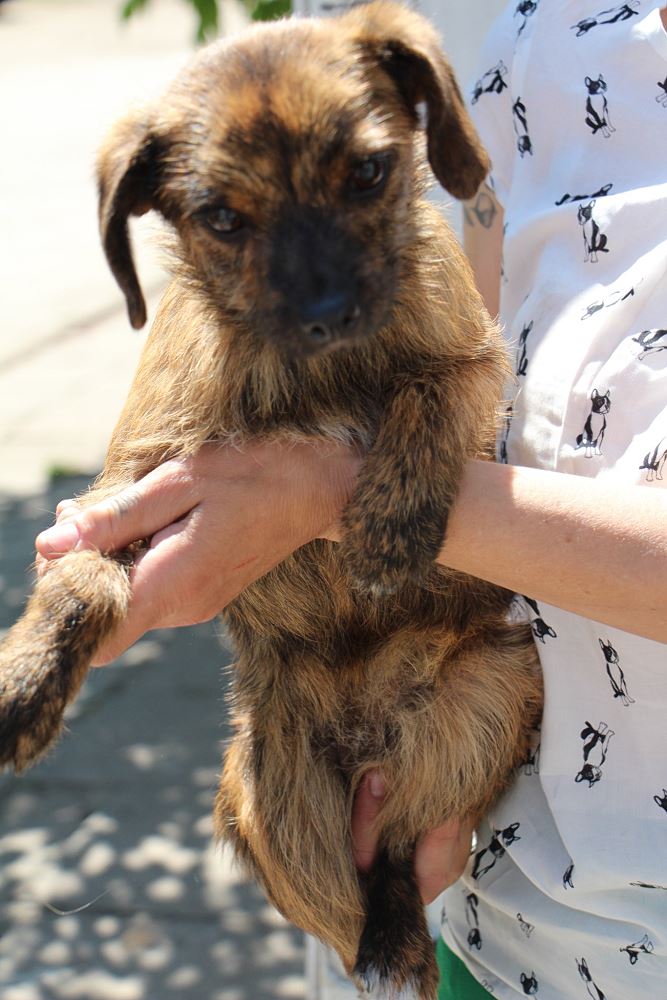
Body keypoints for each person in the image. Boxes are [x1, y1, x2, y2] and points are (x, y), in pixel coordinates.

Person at [37, 1, 667, 996]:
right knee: (301, 845)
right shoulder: (549, 31)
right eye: (230, 220)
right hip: (499, 881)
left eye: (364, 178)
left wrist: (332, 493)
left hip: (620, 894)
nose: (321, 292)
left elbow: (460, 368)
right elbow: (485, 322)